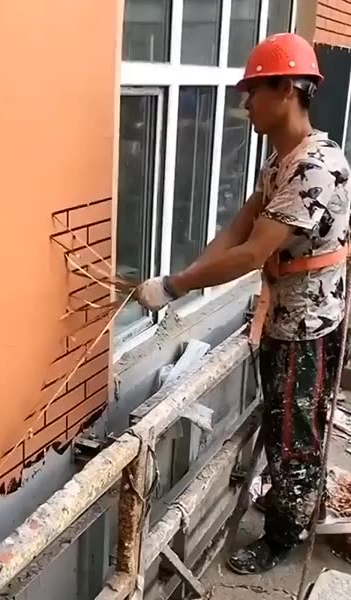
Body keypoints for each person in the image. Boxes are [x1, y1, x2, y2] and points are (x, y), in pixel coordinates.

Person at [135, 33, 351, 574]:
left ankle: (283, 535)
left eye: (254, 90)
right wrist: (181, 280)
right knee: (285, 419)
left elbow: (254, 252)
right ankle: (290, 502)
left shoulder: (315, 166)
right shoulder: (283, 162)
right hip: (287, 315)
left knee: (294, 432)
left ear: (287, 90)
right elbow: (237, 229)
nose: (246, 103)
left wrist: (176, 287)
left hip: (307, 324)